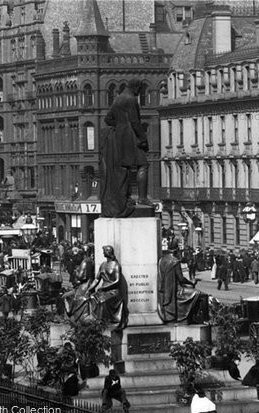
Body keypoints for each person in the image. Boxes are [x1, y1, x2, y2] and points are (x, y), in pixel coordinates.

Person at [100, 78, 150, 218]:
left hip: (119, 139)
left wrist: (121, 125)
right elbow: (135, 121)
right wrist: (142, 138)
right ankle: (142, 198)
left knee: (126, 168)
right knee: (143, 165)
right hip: (131, 137)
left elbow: (108, 119)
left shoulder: (118, 99)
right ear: (136, 88)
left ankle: (127, 197)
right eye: (140, 90)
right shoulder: (131, 99)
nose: (139, 93)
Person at [157, 240, 203, 323]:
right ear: (176, 250)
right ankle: (193, 318)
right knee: (198, 293)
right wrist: (191, 282)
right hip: (175, 290)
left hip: (164, 291)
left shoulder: (162, 260)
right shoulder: (175, 262)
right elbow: (181, 279)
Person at [89, 245, 129, 328]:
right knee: (92, 297)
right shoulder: (103, 265)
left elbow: (117, 281)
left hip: (113, 292)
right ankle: (94, 321)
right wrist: (89, 289)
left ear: (108, 252)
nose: (103, 252)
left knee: (102, 301)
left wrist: (105, 287)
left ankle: (101, 323)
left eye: (104, 251)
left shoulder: (116, 265)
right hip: (103, 291)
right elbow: (97, 279)